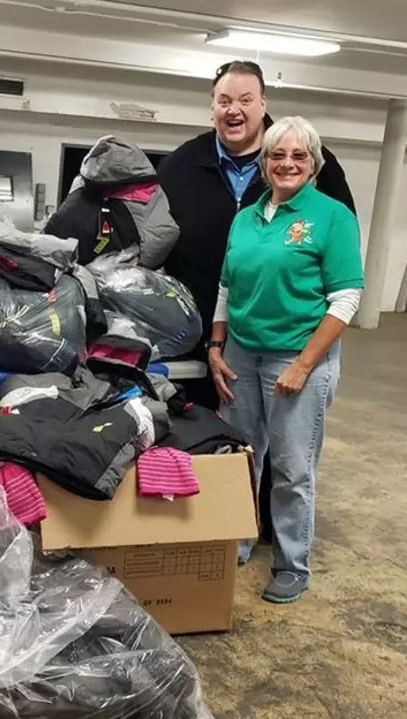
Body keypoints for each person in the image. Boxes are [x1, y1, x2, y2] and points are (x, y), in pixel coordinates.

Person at [207, 116, 364, 604]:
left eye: (298, 155)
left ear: (313, 164)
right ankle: (235, 541)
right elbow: (226, 289)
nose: (287, 163)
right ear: (265, 163)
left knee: (293, 468)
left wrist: (303, 365)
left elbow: (346, 299)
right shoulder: (246, 217)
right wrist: (215, 346)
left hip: (298, 356)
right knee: (238, 458)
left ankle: (292, 563)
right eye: (277, 155)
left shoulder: (332, 216)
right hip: (240, 354)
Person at [159, 60, 356, 411]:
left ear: (264, 104)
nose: (234, 110)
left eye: (246, 100)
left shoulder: (312, 165)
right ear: (212, 109)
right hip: (199, 340)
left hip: (290, 347)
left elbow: (343, 266)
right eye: (224, 101)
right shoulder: (179, 166)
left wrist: (308, 359)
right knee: (211, 448)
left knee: (285, 459)